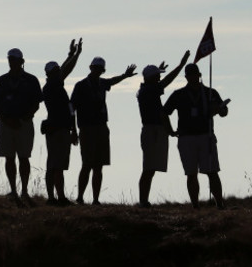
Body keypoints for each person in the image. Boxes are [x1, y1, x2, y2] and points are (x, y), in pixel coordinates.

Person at [71, 57, 136, 205]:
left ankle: (95, 199)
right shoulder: (81, 86)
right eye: (96, 68)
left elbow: (112, 81)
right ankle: (80, 197)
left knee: (99, 166)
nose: (97, 71)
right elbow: (72, 109)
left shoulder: (101, 83)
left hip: (101, 127)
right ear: (91, 68)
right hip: (87, 128)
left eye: (100, 69)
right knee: (87, 164)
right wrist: (73, 130)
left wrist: (125, 75)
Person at [164, 63, 229, 209]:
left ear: (199, 75)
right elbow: (164, 112)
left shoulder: (210, 92)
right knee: (191, 173)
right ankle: (196, 206)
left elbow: (224, 112)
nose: (192, 77)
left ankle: (220, 204)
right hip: (186, 138)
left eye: (195, 74)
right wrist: (170, 131)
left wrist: (220, 109)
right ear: (186, 77)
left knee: (212, 172)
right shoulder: (179, 94)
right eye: (190, 75)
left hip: (206, 136)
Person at [136, 50, 190, 208]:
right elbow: (167, 80)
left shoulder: (147, 89)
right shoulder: (149, 90)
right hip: (153, 131)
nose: (159, 78)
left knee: (150, 168)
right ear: (151, 78)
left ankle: (143, 201)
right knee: (148, 168)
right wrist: (181, 65)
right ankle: (143, 201)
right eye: (157, 76)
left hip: (154, 130)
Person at [0, 48, 43, 203]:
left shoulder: (31, 80)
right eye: (10, 59)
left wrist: (23, 119)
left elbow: (36, 104)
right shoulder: (2, 80)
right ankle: (13, 190)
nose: (11, 62)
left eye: (14, 59)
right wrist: (7, 120)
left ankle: (24, 191)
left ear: (21, 61)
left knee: (24, 157)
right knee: (9, 157)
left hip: (24, 124)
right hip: (6, 124)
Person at [41, 39, 82, 206]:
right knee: (56, 165)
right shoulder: (51, 86)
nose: (59, 72)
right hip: (57, 130)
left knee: (55, 164)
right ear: (49, 74)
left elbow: (64, 71)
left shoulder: (55, 85)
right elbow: (66, 70)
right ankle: (58, 198)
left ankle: (55, 198)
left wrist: (71, 55)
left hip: (61, 129)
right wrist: (76, 55)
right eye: (55, 71)